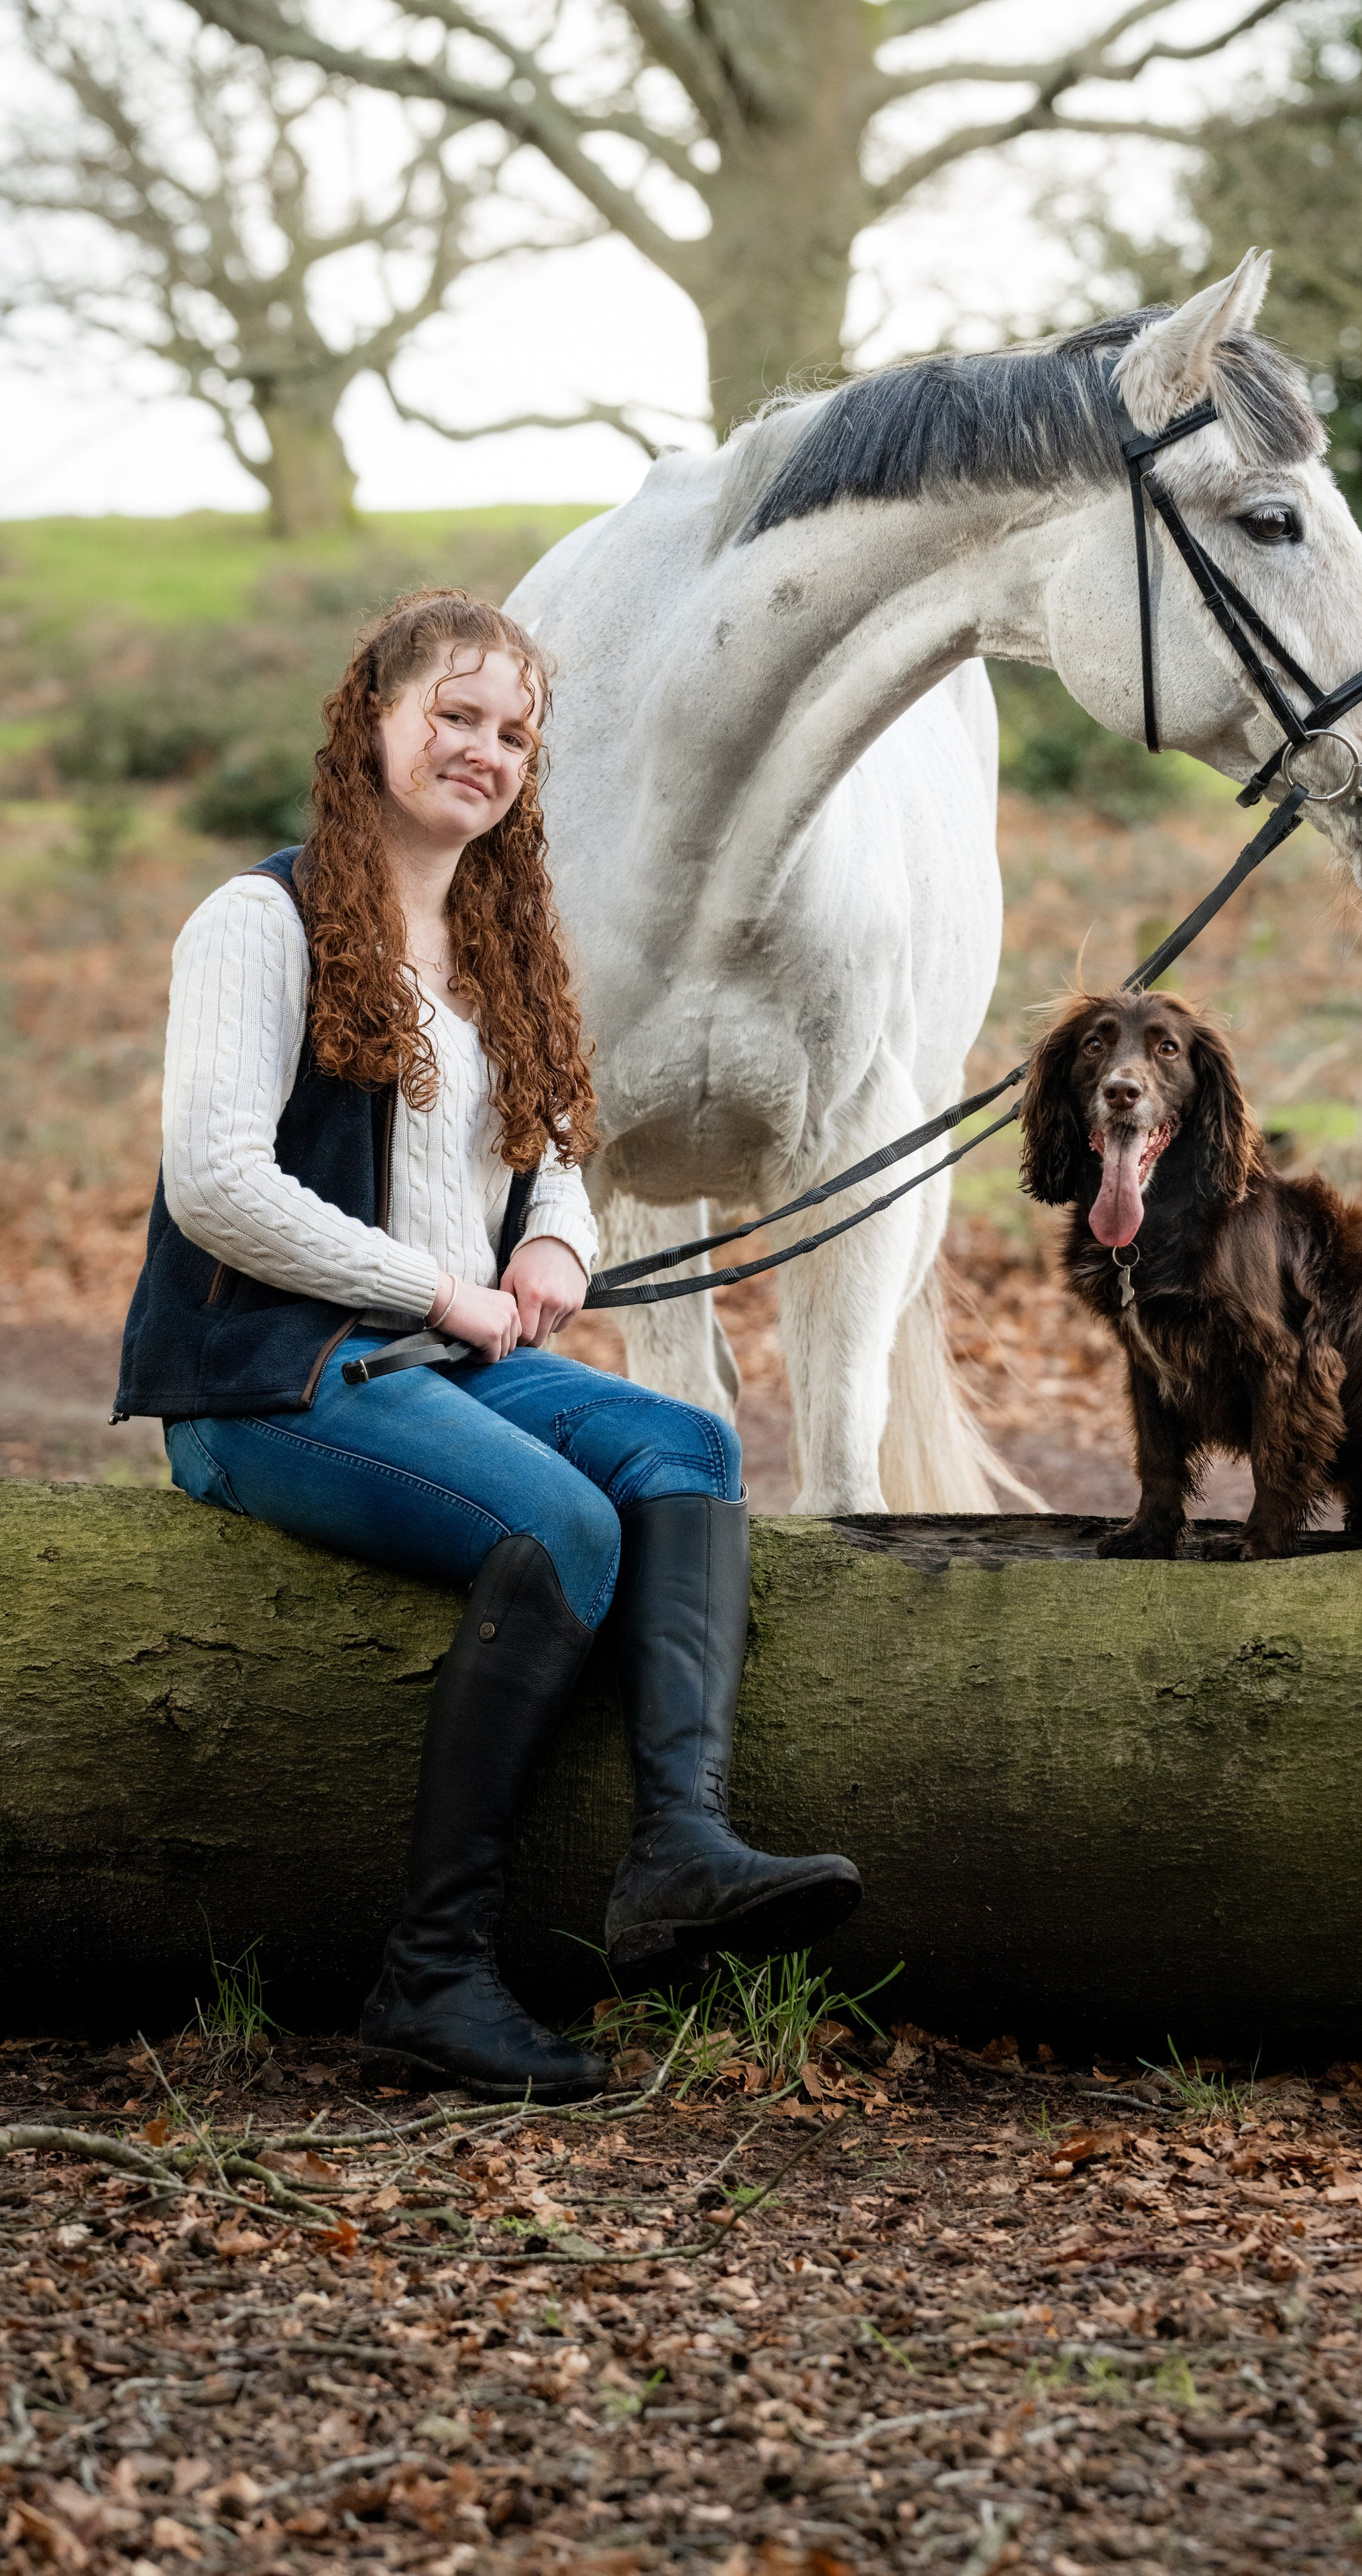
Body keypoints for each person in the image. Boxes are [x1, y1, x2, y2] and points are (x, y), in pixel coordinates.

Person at [113, 588, 860, 2102]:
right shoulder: (259, 921)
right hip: (270, 1377)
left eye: (513, 733)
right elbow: (217, 1184)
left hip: (441, 1365)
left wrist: (553, 1243)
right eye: (454, 715)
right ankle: (433, 1974)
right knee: (561, 1523)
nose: (485, 750)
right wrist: (435, 1289)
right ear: (372, 724)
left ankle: (677, 1849)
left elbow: (557, 1142)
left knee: (687, 1444)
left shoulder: (499, 942)